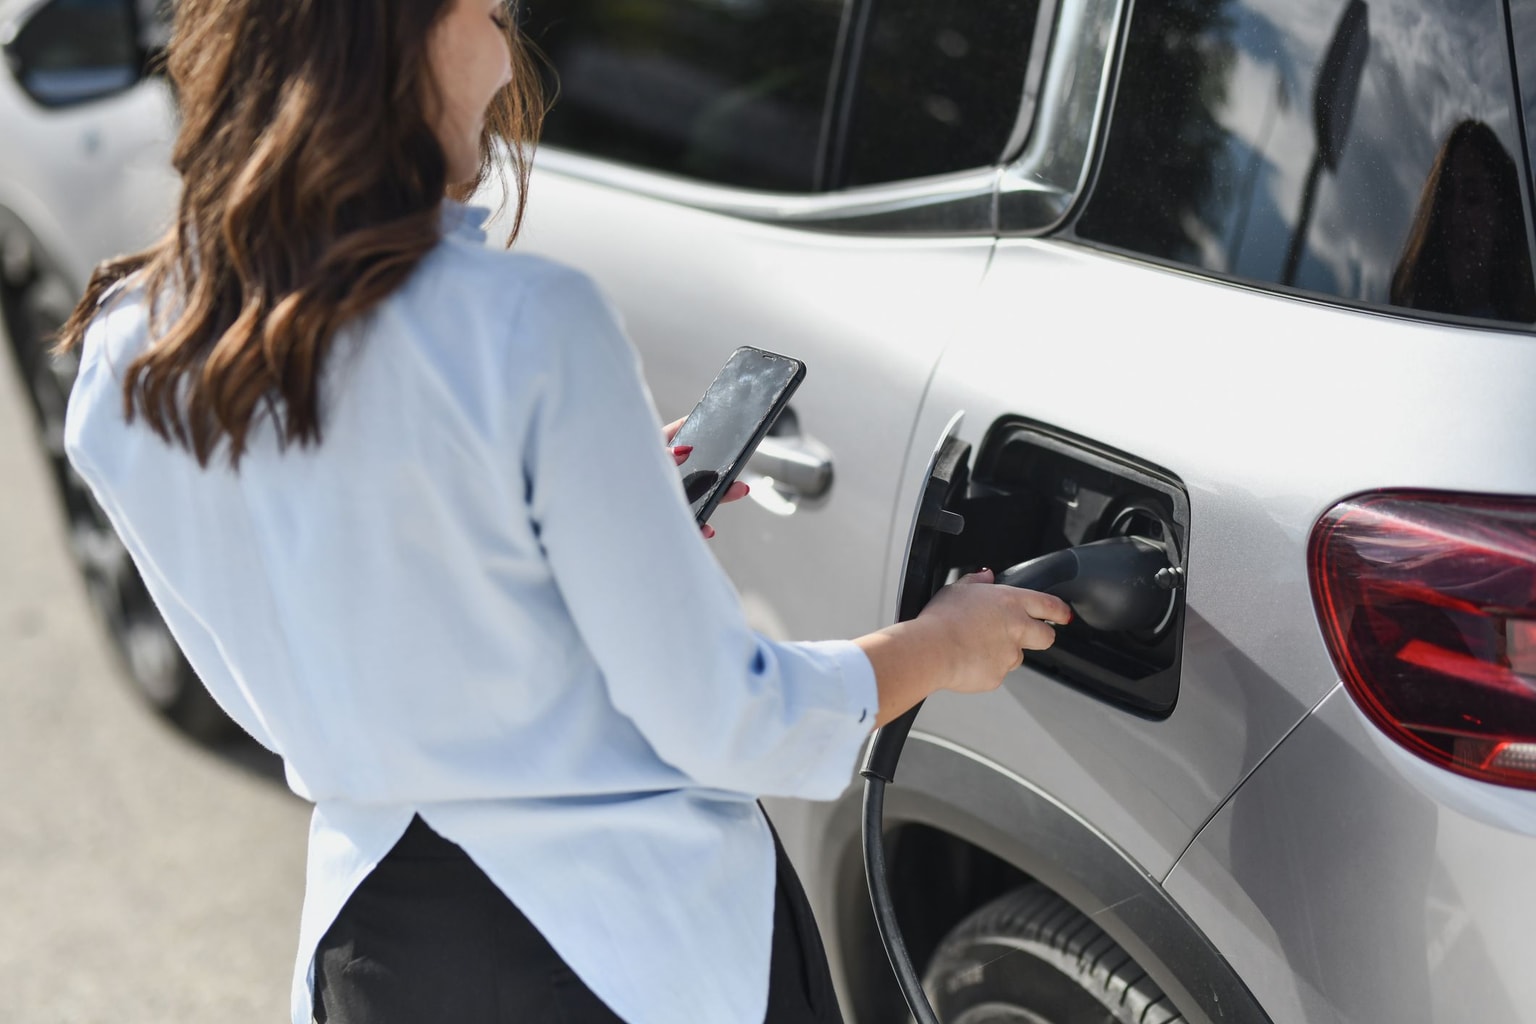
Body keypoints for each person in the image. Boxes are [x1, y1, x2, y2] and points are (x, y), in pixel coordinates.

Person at [55, 2, 1071, 1022]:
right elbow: (724, 718)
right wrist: (940, 647)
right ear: (404, 32)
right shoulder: (526, 326)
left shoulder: (125, 349)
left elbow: (298, 672)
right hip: (629, 955)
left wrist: (568, 531)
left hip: (375, 956)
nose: (508, 58)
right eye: (495, 15)